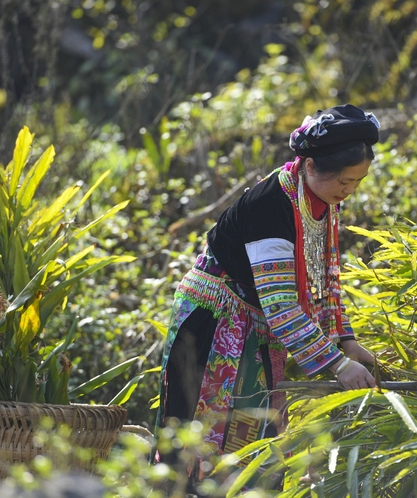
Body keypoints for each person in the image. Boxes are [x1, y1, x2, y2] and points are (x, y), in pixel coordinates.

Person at [153, 103, 379, 473]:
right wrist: (337, 364)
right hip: (216, 321)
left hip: (258, 323)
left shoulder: (320, 200)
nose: (349, 191)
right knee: (206, 433)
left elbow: (325, 276)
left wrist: (345, 339)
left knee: (258, 430)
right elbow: (281, 306)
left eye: (357, 182)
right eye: (343, 182)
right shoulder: (271, 206)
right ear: (309, 166)